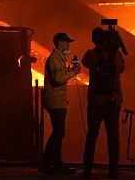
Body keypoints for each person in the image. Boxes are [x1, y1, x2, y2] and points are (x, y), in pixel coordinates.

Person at [81, 27, 125, 179]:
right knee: (113, 136)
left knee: (92, 135)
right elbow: (122, 68)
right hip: (112, 101)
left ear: (94, 39)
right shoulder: (116, 55)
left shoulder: (91, 55)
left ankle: (87, 170)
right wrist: (114, 47)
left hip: (95, 101)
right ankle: (113, 171)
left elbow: (84, 62)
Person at [40, 32, 81, 175]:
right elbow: (58, 79)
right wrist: (73, 73)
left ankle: (57, 163)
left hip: (59, 101)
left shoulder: (60, 59)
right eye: (67, 42)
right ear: (60, 43)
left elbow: (60, 76)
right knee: (59, 133)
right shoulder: (55, 59)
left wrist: (70, 70)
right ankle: (46, 163)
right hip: (55, 101)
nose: (69, 45)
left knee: (59, 133)